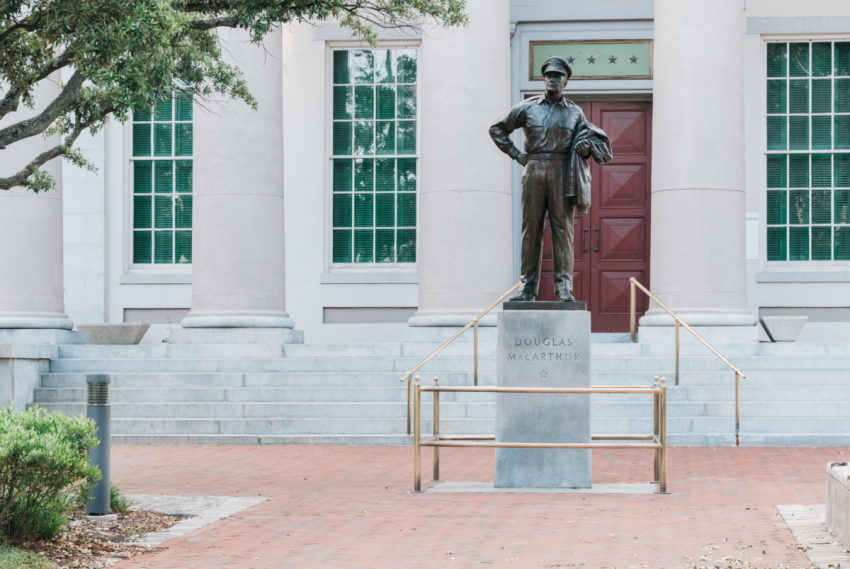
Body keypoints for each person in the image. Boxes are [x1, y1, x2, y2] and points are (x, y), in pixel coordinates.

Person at [489, 56, 612, 302]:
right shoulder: (526, 107)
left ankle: (564, 288)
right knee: (530, 230)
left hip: (562, 171)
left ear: (566, 81)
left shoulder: (575, 112)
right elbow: (497, 129)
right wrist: (517, 155)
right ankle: (527, 289)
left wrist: (586, 148)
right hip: (533, 168)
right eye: (548, 76)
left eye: (558, 76)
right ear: (543, 79)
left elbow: (587, 141)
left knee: (562, 230)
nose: (552, 80)